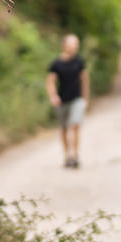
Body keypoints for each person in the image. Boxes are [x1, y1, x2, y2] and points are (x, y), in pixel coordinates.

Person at [46, 34, 90, 169]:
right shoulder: (56, 64)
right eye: (73, 44)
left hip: (76, 99)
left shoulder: (79, 61)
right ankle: (67, 156)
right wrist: (53, 96)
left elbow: (84, 80)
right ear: (64, 45)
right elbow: (50, 81)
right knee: (64, 128)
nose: (75, 47)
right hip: (62, 100)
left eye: (76, 44)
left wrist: (85, 98)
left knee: (76, 125)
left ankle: (75, 156)